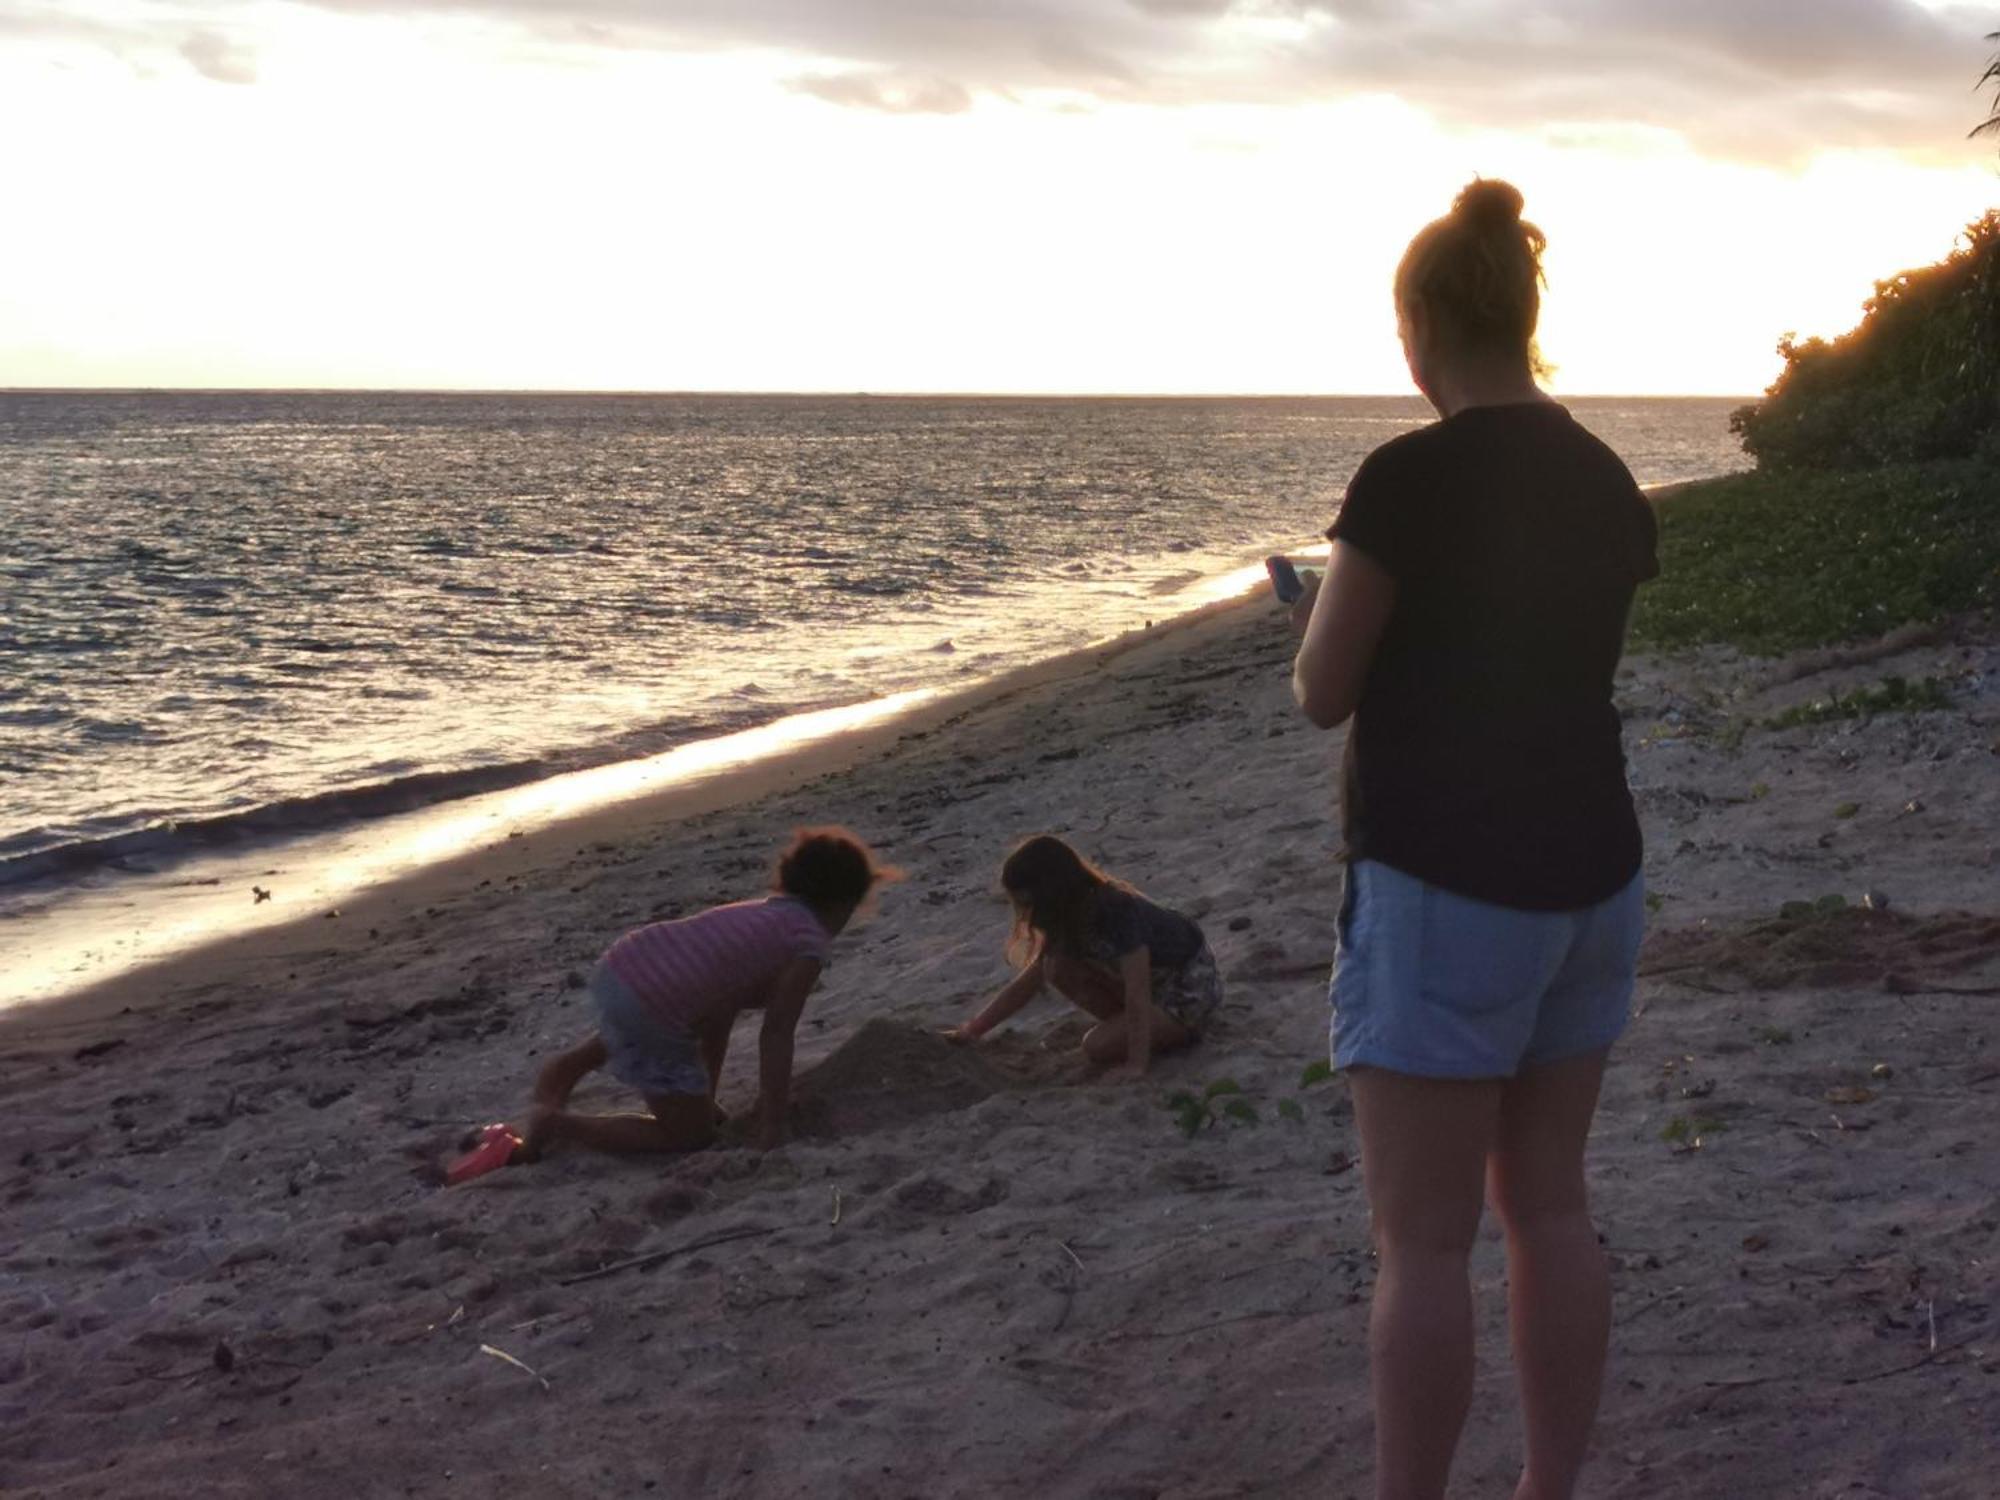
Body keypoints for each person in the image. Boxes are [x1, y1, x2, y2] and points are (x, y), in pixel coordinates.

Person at [1290, 179, 1658, 1500]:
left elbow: (1325, 690)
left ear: (1420, 325)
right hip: (1592, 876)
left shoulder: (1404, 478)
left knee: (1426, 1243)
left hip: (1448, 883)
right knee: (1551, 1207)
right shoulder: (1607, 476)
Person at [515, 827, 900, 1158]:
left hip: (626, 964)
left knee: (631, 1031)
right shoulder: (807, 944)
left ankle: (559, 1078)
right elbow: (777, 1034)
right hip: (656, 1004)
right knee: (689, 1137)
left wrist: (703, 1093)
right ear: (842, 904)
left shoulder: (764, 914)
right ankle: (560, 1125)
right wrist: (773, 1125)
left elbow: (719, 1013)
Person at [945, 834, 1220, 1075]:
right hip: (1153, 990)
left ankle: (1160, 1035)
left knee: (1096, 1046)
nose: (1026, 911)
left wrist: (1136, 1065)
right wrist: (973, 1030)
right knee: (1055, 966)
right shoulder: (1069, 918)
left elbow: (1137, 992)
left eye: (1028, 901)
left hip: (1186, 991)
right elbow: (1028, 983)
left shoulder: (1115, 911)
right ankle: (1136, 1030)